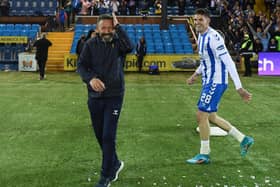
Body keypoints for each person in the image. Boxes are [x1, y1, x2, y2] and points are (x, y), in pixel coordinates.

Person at [186, 9, 254, 164]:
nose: (197, 23)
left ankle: (204, 154)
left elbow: (229, 62)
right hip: (209, 81)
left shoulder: (214, 37)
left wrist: (239, 87)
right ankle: (243, 139)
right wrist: (195, 75)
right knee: (211, 117)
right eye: (195, 20)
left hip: (215, 82)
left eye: (200, 20)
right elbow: (206, 61)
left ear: (208, 21)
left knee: (201, 115)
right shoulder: (202, 37)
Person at [77, 13, 133, 187]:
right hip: (94, 97)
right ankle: (115, 163)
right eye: (104, 28)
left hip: (114, 96)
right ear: (97, 29)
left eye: (110, 28)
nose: (107, 31)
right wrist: (91, 78)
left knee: (108, 136)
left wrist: (119, 27)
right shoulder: (90, 45)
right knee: (100, 135)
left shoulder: (118, 43)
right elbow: (81, 65)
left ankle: (106, 175)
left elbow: (130, 47)